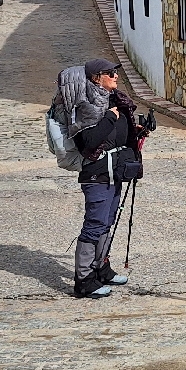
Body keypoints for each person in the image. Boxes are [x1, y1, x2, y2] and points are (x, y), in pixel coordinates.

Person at [59, 58, 147, 299]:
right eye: (110, 73)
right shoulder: (85, 106)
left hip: (114, 172)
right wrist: (109, 118)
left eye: (115, 73)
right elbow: (87, 144)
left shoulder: (112, 101)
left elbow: (117, 135)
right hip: (96, 174)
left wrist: (139, 130)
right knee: (94, 225)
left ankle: (102, 269)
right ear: (96, 78)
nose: (116, 77)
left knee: (107, 221)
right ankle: (84, 280)